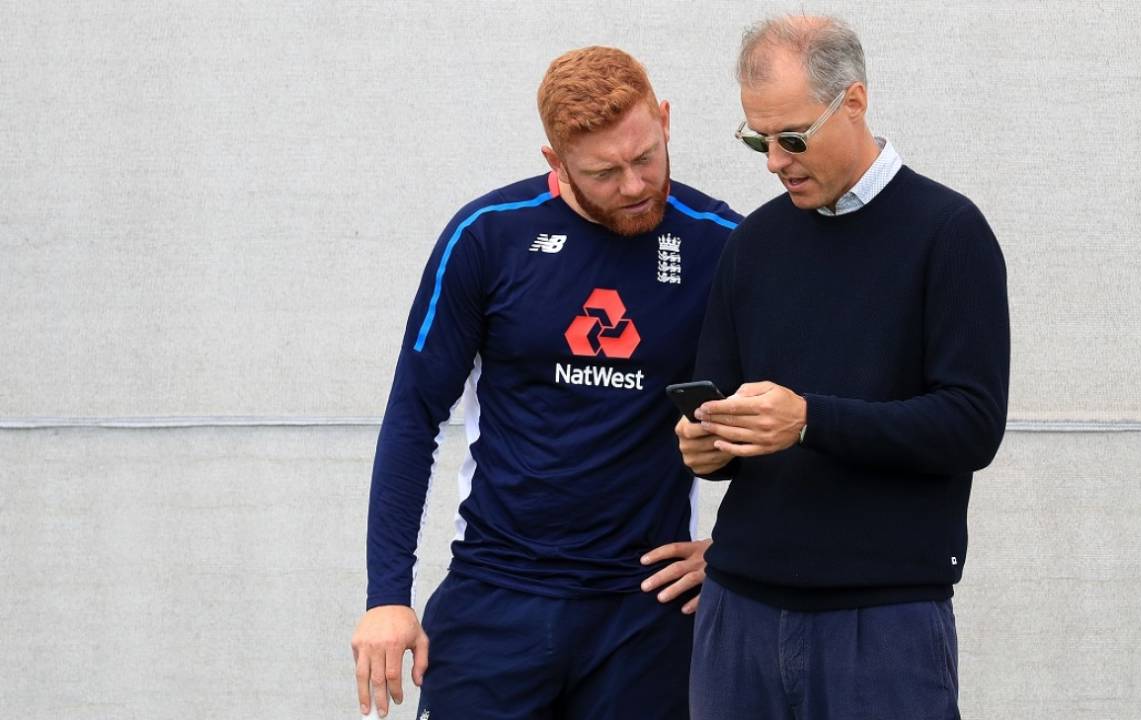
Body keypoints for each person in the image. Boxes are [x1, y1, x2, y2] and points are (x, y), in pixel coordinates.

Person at [351, 46, 741, 719]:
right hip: (496, 597)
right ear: (554, 162)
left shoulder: (721, 243)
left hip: (645, 614)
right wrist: (388, 596)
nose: (634, 184)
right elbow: (413, 415)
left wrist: (739, 550)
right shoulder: (487, 237)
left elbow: (794, 410)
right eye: (603, 171)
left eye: (645, 156)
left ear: (665, 120)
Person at [676, 15, 1009, 720]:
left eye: (792, 137)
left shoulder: (949, 233)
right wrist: (707, 448)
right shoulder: (755, 241)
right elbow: (728, 414)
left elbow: (971, 425)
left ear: (853, 102)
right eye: (756, 139)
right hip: (739, 610)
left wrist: (809, 421)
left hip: (883, 622)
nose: (774, 160)